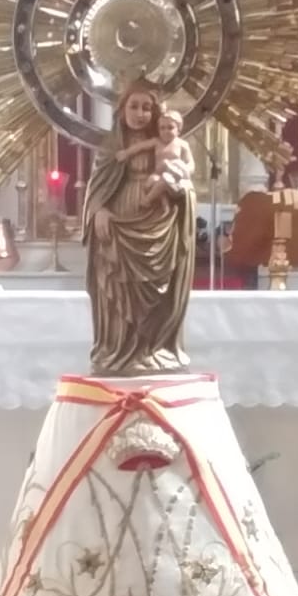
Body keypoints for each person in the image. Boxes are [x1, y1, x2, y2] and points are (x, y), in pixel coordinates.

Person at [83, 78, 196, 375]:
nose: (140, 113)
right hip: (119, 222)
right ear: (122, 109)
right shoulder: (111, 147)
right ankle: (118, 350)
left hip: (160, 225)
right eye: (133, 106)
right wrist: (99, 211)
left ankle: (154, 349)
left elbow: (185, 180)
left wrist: (180, 190)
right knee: (119, 286)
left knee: (156, 288)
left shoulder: (169, 144)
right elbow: (96, 189)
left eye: (147, 107)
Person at [155, 108, 194, 196]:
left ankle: (147, 200)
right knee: (152, 182)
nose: (166, 131)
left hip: (175, 178)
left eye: (170, 128)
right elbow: (140, 147)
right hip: (158, 176)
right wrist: (126, 153)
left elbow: (191, 164)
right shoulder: (156, 143)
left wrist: (182, 169)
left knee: (167, 182)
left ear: (178, 130)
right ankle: (164, 206)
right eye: (162, 128)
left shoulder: (182, 144)